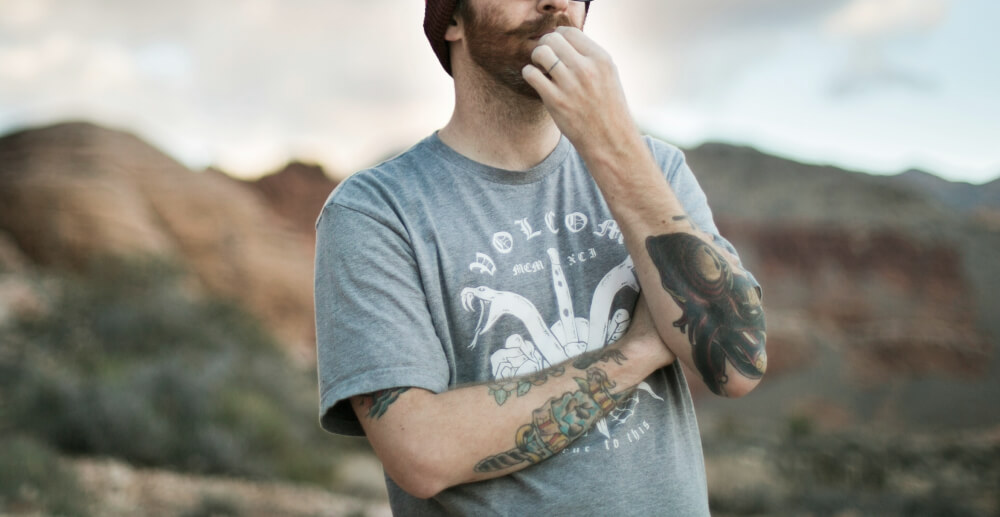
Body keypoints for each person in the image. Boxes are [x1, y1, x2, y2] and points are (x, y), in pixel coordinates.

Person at [314, 0, 767, 514]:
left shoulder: (656, 170)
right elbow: (422, 454)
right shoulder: (375, 212)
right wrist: (640, 348)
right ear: (454, 20)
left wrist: (615, 147)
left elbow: (737, 365)